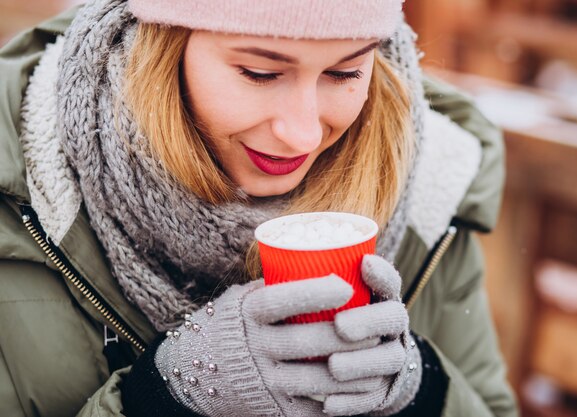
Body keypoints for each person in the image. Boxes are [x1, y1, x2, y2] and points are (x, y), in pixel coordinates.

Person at [0, 0, 518, 416]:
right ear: (163, 45)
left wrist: (420, 387)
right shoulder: (21, 193)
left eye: (344, 73)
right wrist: (162, 399)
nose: (304, 133)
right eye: (259, 72)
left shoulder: (428, 180)